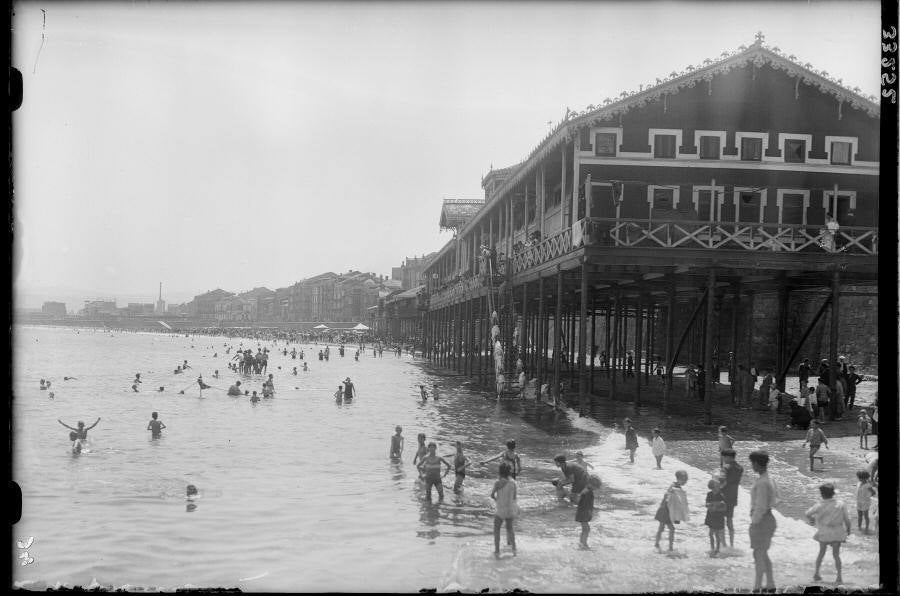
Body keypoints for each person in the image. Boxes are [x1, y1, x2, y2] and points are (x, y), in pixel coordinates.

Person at [805, 482, 851, 584]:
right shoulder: (841, 504)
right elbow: (847, 520)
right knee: (836, 555)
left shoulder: (819, 505)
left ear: (822, 494)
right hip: (837, 533)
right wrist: (848, 529)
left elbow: (807, 513)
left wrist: (812, 519)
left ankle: (816, 573)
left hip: (824, 532)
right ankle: (839, 577)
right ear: (833, 493)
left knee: (821, 553)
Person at [748, 450, 778, 592]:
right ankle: (770, 583)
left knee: (758, 554)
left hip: (762, 520)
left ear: (756, 463)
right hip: (769, 518)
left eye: (752, 463)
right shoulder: (769, 478)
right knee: (762, 553)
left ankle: (757, 585)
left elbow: (760, 507)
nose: (751, 466)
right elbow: (776, 499)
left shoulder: (762, 482)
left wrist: (754, 522)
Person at [654, 470, 689, 552]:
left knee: (663, 528)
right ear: (678, 479)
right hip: (665, 509)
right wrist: (662, 505)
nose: (685, 481)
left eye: (686, 480)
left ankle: (659, 544)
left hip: (670, 510)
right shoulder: (673, 486)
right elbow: (666, 495)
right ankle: (668, 547)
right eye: (684, 479)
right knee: (666, 528)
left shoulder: (679, 488)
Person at [490, 462, 518, 557]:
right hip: (510, 509)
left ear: (500, 471)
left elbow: (492, 495)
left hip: (501, 510)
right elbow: (514, 497)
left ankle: (497, 550)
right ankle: (514, 549)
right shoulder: (513, 482)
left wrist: (497, 500)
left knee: (496, 528)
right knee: (510, 529)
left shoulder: (498, 483)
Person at [720, 448, 743, 548]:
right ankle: (732, 544)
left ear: (728, 457)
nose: (723, 459)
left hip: (723, 497)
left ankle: (723, 544)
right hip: (733, 497)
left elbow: (723, 482)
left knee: (720, 521)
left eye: (724, 457)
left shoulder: (726, 468)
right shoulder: (740, 468)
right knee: (730, 521)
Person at [576, 475, 602, 549]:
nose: (596, 489)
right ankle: (583, 544)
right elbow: (583, 502)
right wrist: (589, 511)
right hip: (583, 513)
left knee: (586, 529)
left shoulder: (588, 491)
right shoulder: (587, 492)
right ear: (590, 484)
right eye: (596, 487)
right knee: (586, 529)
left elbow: (584, 502)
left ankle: (582, 543)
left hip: (583, 512)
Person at [704, 478, 727, 557]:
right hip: (711, 516)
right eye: (717, 486)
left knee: (717, 534)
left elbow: (725, 508)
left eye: (719, 485)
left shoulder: (721, 495)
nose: (719, 487)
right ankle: (712, 548)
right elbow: (706, 504)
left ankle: (717, 549)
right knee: (710, 533)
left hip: (718, 517)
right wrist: (711, 506)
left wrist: (716, 508)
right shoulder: (709, 494)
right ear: (712, 487)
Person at [855, 469, 876, 534]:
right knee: (859, 515)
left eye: (860, 478)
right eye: (859, 478)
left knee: (866, 515)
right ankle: (859, 526)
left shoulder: (868, 485)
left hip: (865, 502)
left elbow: (873, 492)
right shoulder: (858, 483)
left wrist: (868, 497)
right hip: (859, 501)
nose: (859, 479)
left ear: (865, 478)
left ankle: (867, 527)